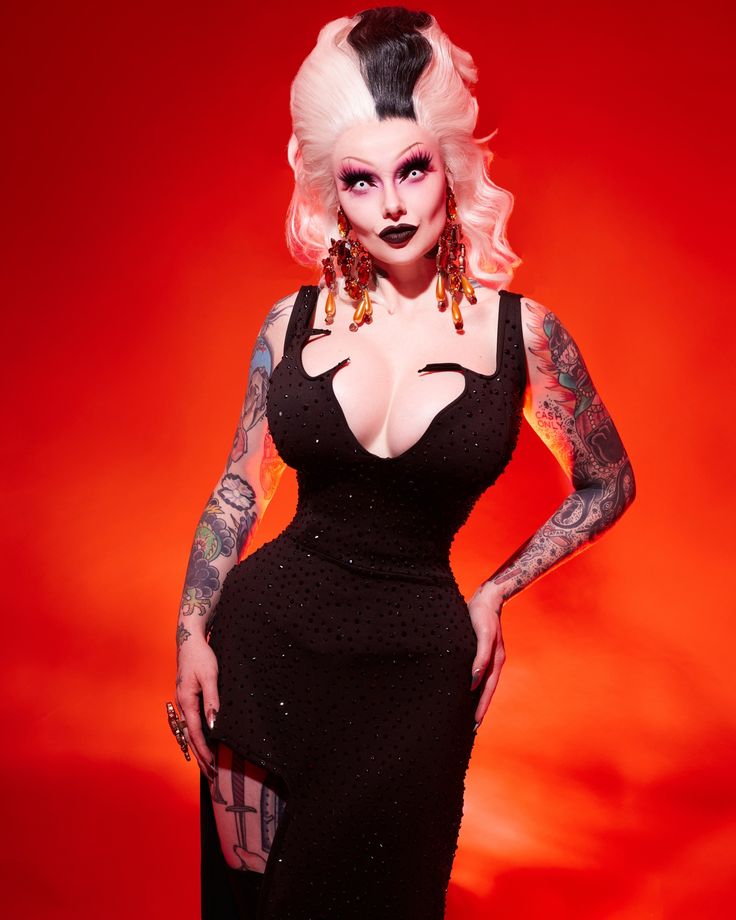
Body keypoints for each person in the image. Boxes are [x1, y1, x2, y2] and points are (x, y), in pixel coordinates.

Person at [166, 7, 637, 919]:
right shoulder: (291, 324)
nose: (391, 204)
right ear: (331, 191)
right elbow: (238, 487)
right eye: (361, 179)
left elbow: (609, 479)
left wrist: (495, 592)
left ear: (450, 164)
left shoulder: (524, 335)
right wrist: (191, 629)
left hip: (418, 674)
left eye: (412, 169)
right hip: (263, 650)